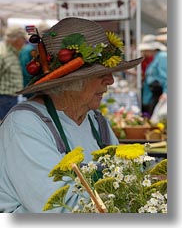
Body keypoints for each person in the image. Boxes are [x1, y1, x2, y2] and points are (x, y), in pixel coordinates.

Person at [0, 17, 143, 213]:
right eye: (101, 74)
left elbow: (127, 182)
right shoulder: (25, 124)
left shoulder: (95, 121)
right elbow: (55, 209)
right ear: (71, 82)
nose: (110, 81)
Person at [0, 26, 27, 120]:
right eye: (23, 39)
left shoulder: (13, 53)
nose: (24, 43)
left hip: (10, 98)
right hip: (4, 99)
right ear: (17, 40)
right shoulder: (3, 53)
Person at [139, 35, 167, 116]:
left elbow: (167, 76)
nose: (144, 52)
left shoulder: (162, 56)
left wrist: (166, 92)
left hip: (158, 93)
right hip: (152, 93)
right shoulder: (156, 57)